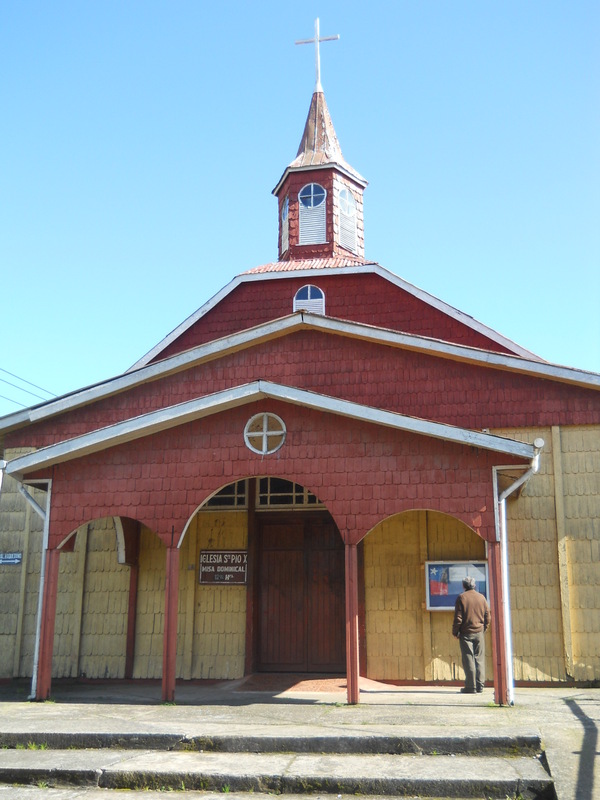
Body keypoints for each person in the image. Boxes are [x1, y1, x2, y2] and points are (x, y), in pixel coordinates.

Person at [452, 576, 490, 693]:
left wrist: (455, 632)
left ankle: (470, 686)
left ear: (464, 586)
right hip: (479, 632)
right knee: (479, 658)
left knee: (468, 658)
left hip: (465, 633)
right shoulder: (482, 598)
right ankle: (480, 686)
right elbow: (487, 616)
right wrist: (483, 629)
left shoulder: (461, 598)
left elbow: (458, 618)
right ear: (474, 585)